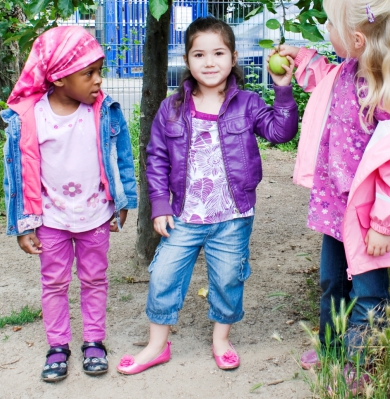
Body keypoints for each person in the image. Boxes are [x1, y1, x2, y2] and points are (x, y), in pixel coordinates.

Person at [116, 17, 299, 375]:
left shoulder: (247, 103)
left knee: (228, 279)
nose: (210, 62)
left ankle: (221, 339)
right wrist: (161, 204)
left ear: (233, 58)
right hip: (184, 215)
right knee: (163, 275)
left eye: (218, 53)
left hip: (233, 216)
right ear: (187, 60)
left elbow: (280, 132)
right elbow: (155, 159)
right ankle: (157, 345)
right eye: (199, 54)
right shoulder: (172, 108)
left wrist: (283, 89)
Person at [274, 0, 390, 374]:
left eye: (330, 27)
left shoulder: (388, 96)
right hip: (336, 207)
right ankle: (331, 349)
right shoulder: (346, 74)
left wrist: (385, 226)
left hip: (370, 219)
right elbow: (322, 78)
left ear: (355, 38)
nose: (326, 33)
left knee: (367, 294)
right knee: (331, 283)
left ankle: (356, 364)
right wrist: (299, 59)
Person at [2, 26, 137, 382]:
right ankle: (57, 346)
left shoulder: (104, 111)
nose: (98, 81)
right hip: (51, 220)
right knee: (54, 283)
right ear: (60, 78)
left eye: (99, 71)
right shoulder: (31, 119)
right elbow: (19, 175)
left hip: (95, 216)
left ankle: (94, 341)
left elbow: (121, 156)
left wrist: (123, 200)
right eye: (88, 73)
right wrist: (24, 224)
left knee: (95, 279)